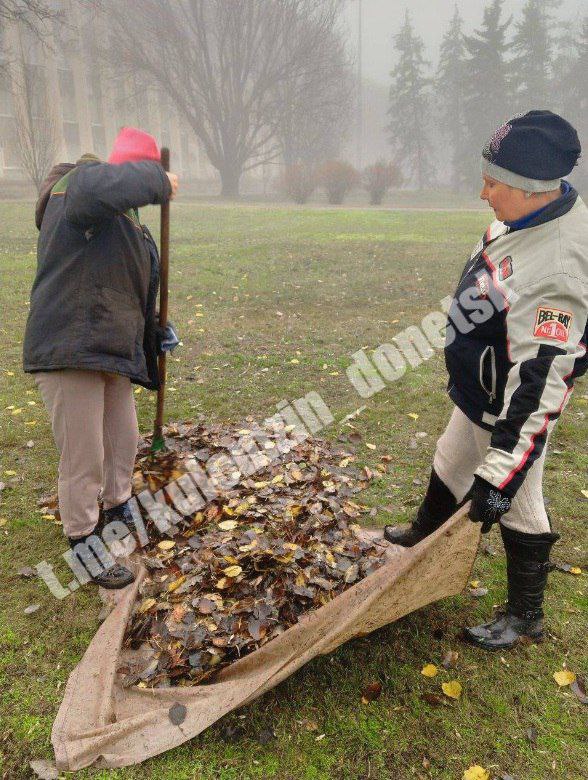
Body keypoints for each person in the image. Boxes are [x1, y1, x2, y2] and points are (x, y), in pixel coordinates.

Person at [384, 110, 588, 650]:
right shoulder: (518, 220)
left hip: (509, 408)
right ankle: (424, 537)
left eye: (493, 183)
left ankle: (526, 613)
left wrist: (500, 475)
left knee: (520, 503)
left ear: (531, 190)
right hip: (481, 389)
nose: (483, 193)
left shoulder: (559, 268)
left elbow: (541, 381)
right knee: (449, 457)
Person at [23, 127, 179, 589]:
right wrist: (158, 179)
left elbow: (122, 294)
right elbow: (98, 185)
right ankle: (83, 542)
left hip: (110, 348)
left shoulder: (129, 224)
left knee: (122, 438)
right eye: (139, 173)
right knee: (84, 453)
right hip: (70, 344)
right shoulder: (78, 187)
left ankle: (117, 510)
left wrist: (152, 330)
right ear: (123, 169)